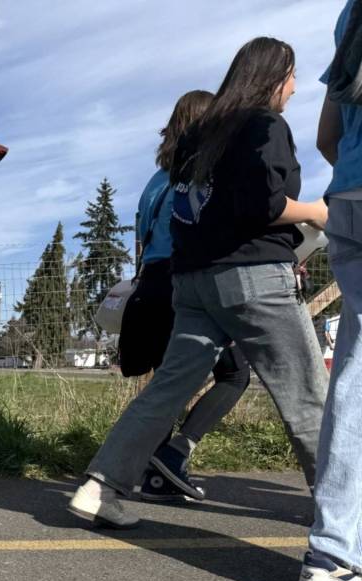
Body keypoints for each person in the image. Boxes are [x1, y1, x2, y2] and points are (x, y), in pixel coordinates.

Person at [69, 36, 329, 529]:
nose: (296, 86)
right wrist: (315, 211)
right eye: (293, 75)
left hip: (191, 283)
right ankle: (342, 512)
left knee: (167, 389)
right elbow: (266, 206)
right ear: (274, 76)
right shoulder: (264, 125)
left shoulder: (197, 139)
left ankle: (101, 484)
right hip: (254, 278)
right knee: (305, 394)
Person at [123, 90, 252, 503]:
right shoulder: (199, 177)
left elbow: (145, 238)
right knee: (235, 373)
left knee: (169, 382)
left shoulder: (153, 182)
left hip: (151, 283)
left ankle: (154, 472)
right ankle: (176, 453)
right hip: (187, 281)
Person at [297, 0, 362, 581]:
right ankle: (336, 550)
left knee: (354, 367)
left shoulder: (350, 15)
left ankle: (337, 551)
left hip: (348, 194)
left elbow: (327, 135)